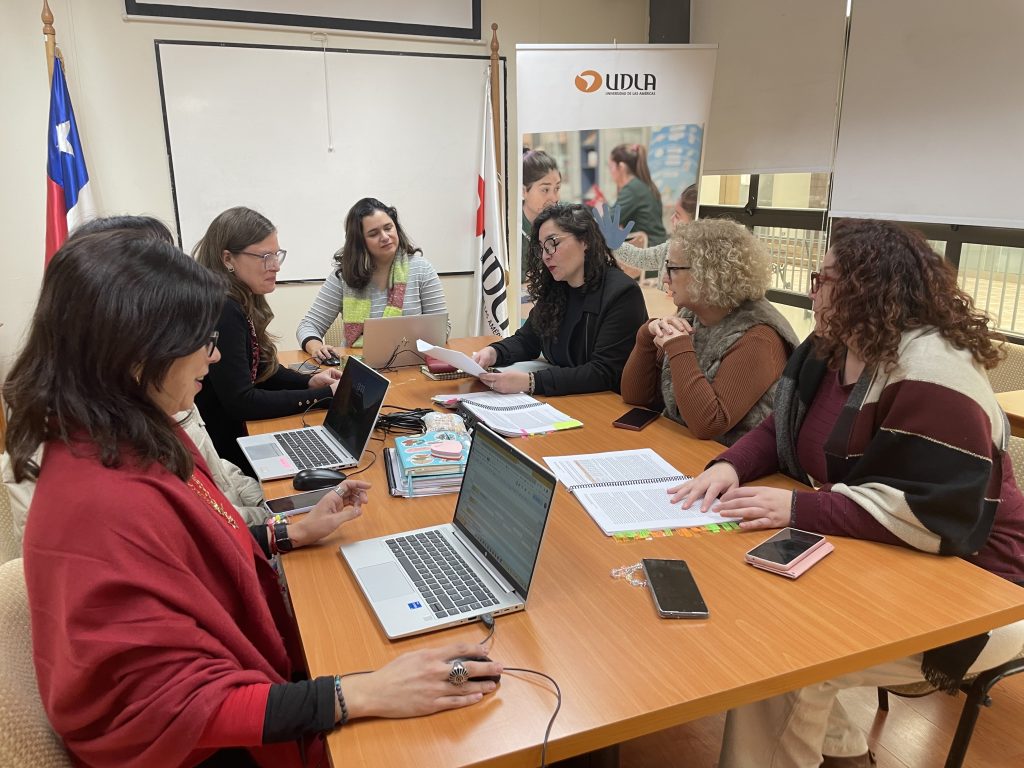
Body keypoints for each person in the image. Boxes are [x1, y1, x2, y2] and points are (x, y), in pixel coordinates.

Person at [2, 231, 501, 768]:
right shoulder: (98, 506)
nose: (215, 356)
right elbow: (175, 706)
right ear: (138, 356)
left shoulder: (122, 433)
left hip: (223, 694)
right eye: (203, 341)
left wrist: (290, 531)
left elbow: (193, 544)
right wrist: (358, 694)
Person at [673, 218, 1024, 768]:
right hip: (886, 552)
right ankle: (844, 754)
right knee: (762, 624)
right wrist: (730, 465)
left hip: (978, 584)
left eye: (824, 280)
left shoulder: (935, 369)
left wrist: (800, 506)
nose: (813, 291)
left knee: (784, 663)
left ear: (870, 286)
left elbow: (934, 514)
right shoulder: (832, 348)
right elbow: (783, 428)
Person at [1, 215, 267, 532]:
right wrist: (273, 523)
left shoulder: (154, 395)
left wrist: (270, 507)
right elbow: (200, 525)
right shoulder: (84, 467)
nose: (212, 355)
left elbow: (214, 477)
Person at [620, 219, 799, 445]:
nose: (664, 277)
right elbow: (636, 397)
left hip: (727, 460)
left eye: (672, 269)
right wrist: (647, 336)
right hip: (685, 448)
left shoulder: (759, 336)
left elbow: (709, 423)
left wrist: (678, 348)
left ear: (708, 273)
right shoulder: (693, 314)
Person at [193, 207, 342, 476]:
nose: (276, 265)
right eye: (265, 257)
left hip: (235, 436)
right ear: (228, 259)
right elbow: (242, 401)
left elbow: (261, 369)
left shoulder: (237, 298)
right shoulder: (223, 308)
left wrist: (309, 382)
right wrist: (323, 396)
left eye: (277, 254)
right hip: (227, 451)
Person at [473, 202, 648, 396]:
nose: (545, 256)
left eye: (553, 243)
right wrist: (493, 352)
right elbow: (528, 340)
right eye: (541, 248)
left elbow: (604, 372)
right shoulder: (557, 287)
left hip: (604, 402)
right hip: (567, 398)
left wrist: (531, 382)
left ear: (585, 240)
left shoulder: (622, 293)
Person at [296, 197, 447, 363]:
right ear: (360, 242)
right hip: (360, 365)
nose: (385, 237)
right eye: (374, 234)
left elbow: (442, 329)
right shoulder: (344, 276)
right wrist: (316, 347)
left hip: (411, 363)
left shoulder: (422, 269)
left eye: (388, 228)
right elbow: (308, 326)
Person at [594, 183, 698, 273]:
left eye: (677, 216)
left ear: (695, 223)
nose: (671, 219)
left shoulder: (698, 260)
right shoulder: (670, 247)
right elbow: (641, 258)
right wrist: (617, 246)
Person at [608, 143, 667, 248]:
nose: (610, 172)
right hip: (658, 246)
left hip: (648, 248)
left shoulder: (632, 189)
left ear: (621, 167)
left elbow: (608, 222)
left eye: (611, 167)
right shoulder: (643, 185)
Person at [521, 149, 562, 282]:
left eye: (557, 188)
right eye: (545, 189)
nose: (554, 198)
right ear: (523, 191)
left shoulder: (562, 223)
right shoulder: (508, 231)